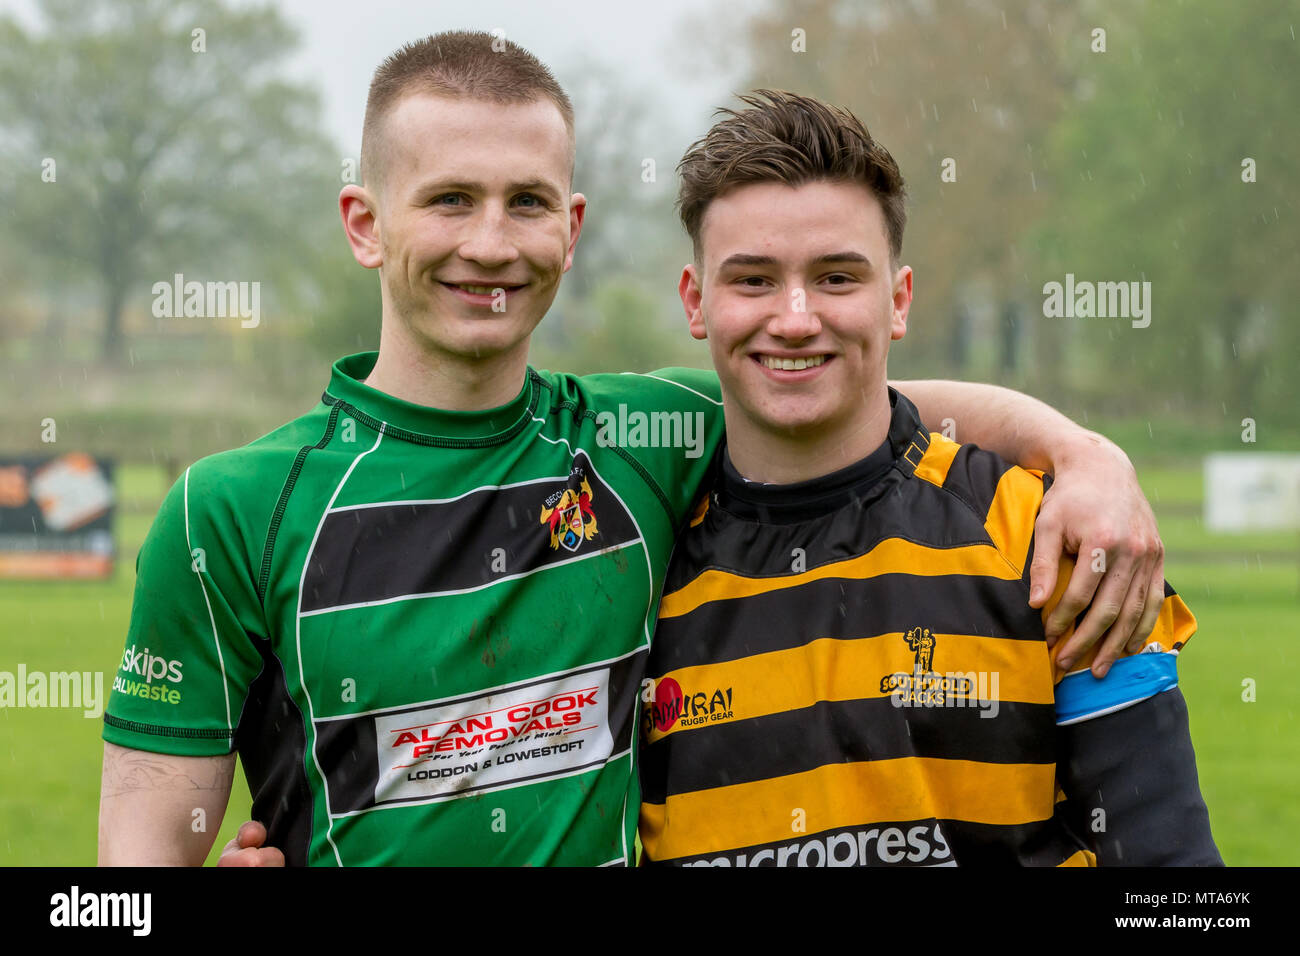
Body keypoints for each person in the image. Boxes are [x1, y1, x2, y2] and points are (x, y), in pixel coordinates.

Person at [99, 32, 1168, 867]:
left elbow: (854, 393)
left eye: (525, 203)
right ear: (364, 223)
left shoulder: (637, 436)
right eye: (449, 201)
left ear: (569, 225)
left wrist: (1082, 454)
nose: (490, 243)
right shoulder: (226, 513)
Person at [636, 90, 1221, 867]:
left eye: (838, 277)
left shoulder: (1045, 537)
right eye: (753, 281)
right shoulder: (633, 564)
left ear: (899, 300)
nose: (797, 318)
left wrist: (1086, 453)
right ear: (695, 300)